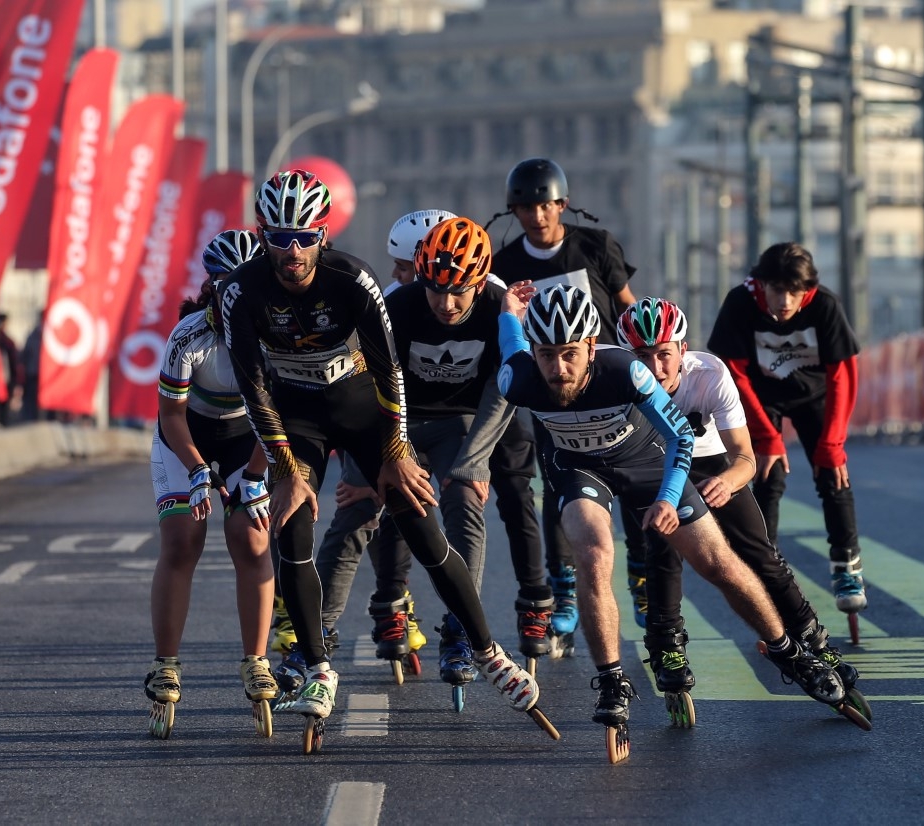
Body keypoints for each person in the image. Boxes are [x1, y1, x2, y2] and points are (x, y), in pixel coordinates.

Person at [220, 169, 540, 723]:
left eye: (303, 237)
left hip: (363, 409)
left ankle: (487, 650)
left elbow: (391, 372)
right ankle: (319, 668)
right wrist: (286, 467)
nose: (291, 251)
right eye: (278, 237)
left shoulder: (354, 279)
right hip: (296, 418)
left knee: (422, 524)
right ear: (262, 232)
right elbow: (252, 387)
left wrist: (395, 452)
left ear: (324, 233)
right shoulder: (240, 291)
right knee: (293, 526)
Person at [496, 283, 846, 741]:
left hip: (644, 461)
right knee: (595, 553)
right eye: (546, 355)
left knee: (717, 562)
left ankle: (787, 651)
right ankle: (611, 680)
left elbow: (682, 438)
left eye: (568, 355)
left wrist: (667, 496)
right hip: (579, 468)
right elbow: (511, 341)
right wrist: (507, 309)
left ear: (589, 347)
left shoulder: (627, 372)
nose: (557, 370)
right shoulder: (516, 377)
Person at [316, 217, 553, 686]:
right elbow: (361, 386)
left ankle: (462, 633)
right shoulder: (397, 305)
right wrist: (370, 465)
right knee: (357, 510)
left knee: (465, 497)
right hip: (391, 420)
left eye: (458, 292)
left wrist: (473, 461)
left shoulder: (496, 307)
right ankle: (314, 640)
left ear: (479, 282)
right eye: (434, 290)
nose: (445, 304)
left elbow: (502, 388)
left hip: (458, 422)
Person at [616, 296, 860, 697]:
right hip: (652, 465)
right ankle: (666, 647)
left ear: (682, 349)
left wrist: (728, 482)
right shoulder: (618, 378)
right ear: (628, 355)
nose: (655, 368)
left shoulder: (710, 373)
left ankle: (815, 642)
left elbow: (746, 457)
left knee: (759, 551)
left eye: (663, 354)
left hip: (711, 460)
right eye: (642, 356)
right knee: (659, 546)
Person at [487, 157, 644, 648]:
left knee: (637, 478)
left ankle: (640, 574)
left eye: (545, 205)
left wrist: (650, 362)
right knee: (556, 487)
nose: (537, 216)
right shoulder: (506, 264)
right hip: (549, 392)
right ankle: (566, 590)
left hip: (607, 383)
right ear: (514, 211)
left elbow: (626, 305)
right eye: (526, 207)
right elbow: (503, 328)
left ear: (563, 204)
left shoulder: (594, 245)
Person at [144, 229, 279, 737]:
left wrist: (254, 476)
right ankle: (166, 664)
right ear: (212, 287)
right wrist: (200, 469)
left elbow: (277, 419)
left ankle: (256, 659)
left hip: (251, 439)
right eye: (226, 287)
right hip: (187, 438)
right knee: (182, 541)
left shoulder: (276, 336)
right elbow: (171, 416)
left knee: (251, 536)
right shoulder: (187, 335)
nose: (236, 297)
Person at [706, 242, 867, 613]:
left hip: (815, 395)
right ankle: (767, 567)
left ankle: (846, 566)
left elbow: (843, 375)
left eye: (796, 292)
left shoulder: (824, 304)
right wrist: (766, 437)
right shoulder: (740, 303)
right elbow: (734, 373)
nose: (786, 301)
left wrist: (833, 443)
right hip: (762, 398)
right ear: (761, 284)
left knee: (833, 473)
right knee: (768, 476)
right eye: (778, 290)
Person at [0, 313, 24, 427]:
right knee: (2, 408)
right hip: (3, 379)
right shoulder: (6, 341)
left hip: (3, 379)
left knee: (2, 406)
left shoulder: (6, 341)